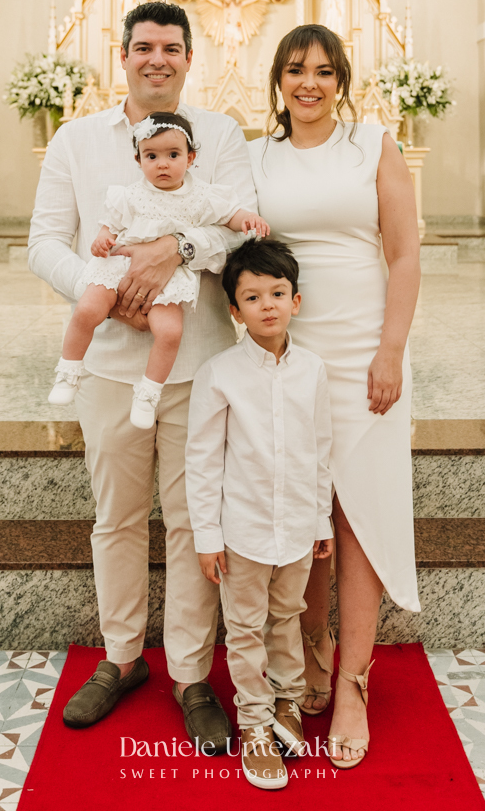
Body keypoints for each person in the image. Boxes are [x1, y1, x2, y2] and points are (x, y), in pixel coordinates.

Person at [28, 1, 257, 751]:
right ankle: (122, 658)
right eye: (144, 47)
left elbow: (241, 222)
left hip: (197, 363)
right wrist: (110, 289)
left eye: (172, 48)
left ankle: (191, 675)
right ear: (121, 54)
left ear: (190, 59)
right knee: (117, 518)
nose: (157, 59)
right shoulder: (76, 138)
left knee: (194, 520)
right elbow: (43, 242)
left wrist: (176, 253)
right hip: (108, 366)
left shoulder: (219, 134)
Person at [248, 24, 421, 771]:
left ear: (341, 78)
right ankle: (311, 650)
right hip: (290, 355)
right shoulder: (258, 156)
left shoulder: (373, 144)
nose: (308, 83)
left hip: (362, 354)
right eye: (295, 70)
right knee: (301, 508)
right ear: (278, 81)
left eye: (323, 70)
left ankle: (353, 680)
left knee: (360, 513)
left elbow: (406, 250)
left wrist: (390, 350)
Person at [186, 238, 333, 790]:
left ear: (297, 300)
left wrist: (320, 520)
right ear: (234, 309)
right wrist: (207, 534)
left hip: (296, 527)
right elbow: (201, 460)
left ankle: (288, 703)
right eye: (253, 296)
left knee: (287, 616)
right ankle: (253, 722)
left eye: (278, 293)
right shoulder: (219, 374)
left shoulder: (313, 370)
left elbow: (321, 450)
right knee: (244, 627)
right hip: (241, 532)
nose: (267, 304)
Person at [48, 109, 268, 428]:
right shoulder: (130, 195)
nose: (162, 163)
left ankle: (149, 391)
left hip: (168, 278)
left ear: (190, 158)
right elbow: (110, 225)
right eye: (152, 156)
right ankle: (68, 370)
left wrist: (249, 219)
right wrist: (102, 240)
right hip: (118, 265)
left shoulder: (202, 195)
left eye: (173, 154)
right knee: (87, 309)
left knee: (169, 332)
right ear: (138, 161)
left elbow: (231, 216)